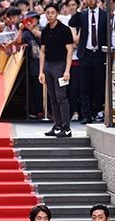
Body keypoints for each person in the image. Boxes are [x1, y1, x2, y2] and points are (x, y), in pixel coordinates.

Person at [69, 0, 108, 124]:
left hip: (99, 54)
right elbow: (72, 23)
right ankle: (86, 114)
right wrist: (80, 9)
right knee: (84, 86)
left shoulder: (104, 14)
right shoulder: (83, 14)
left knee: (99, 85)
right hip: (85, 54)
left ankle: (98, 110)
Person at [39, 2, 74, 137]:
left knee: (61, 97)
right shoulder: (45, 30)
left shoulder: (64, 30)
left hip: (60, 66)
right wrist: (41, 71)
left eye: (52, 13)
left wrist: (67, 70)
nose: (50, 16)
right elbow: (42, 52)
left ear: (57, 14)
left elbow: (69, 51)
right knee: (53, 97)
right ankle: (57, 125)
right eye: (47, 13)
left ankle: (66, 127)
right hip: (48, 65)